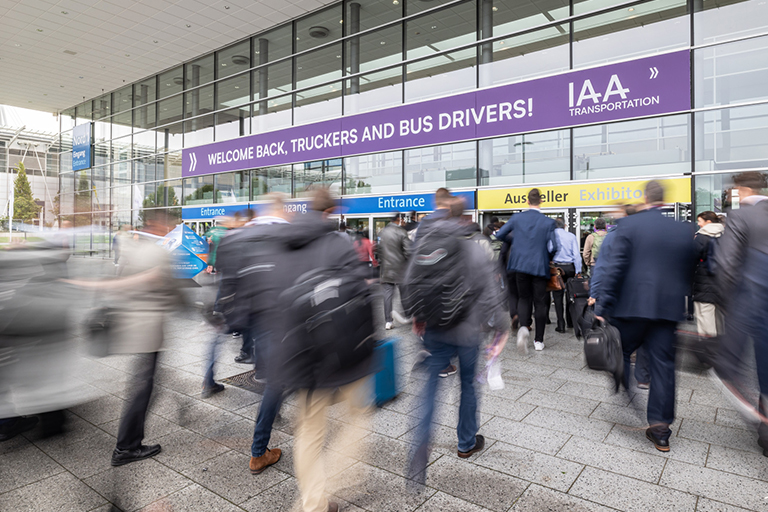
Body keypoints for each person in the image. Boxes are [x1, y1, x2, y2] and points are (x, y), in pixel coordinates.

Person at [274, 189, 375, 512]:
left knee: (309, 431)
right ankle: (340, 478)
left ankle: (313, 502)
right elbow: (361, 292)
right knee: (357, 417)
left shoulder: (282, 243)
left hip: (299, 356)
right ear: (332, 210)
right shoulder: (338, 243)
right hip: (341, 352)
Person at [407, 195, 510, 482]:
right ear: (464, 218)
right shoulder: (474, 249)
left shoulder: (425, 243)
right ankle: (465, 443)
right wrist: (501, 328)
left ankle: (420, 444)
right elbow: (490, 294)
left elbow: (410, 282)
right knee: (467, 385)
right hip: (467, 332)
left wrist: (417, 316)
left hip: (435, 329)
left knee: (430, 386)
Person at [595, 181, 696, 452]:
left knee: (619, 353)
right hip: (667, 310)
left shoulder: (629, 226)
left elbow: (614, 271)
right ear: (663, 201)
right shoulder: (683, 229)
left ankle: (628, 395)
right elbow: (689, 270)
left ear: (644, 198)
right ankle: (661, 430)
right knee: (664, 366)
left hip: (631, 309)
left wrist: (602, 308)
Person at [216, 193, 293, 476]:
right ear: (281, 210)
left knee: (276, 379)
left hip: (258, 320)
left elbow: (228, 280)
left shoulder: (240, 237)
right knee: (280, 382)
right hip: (286, 320)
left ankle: (260, 450)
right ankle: (259, 452)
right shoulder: (289, 235)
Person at [711, 171, 768, 456]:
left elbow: (726, 265)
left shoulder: (741, 216)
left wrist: (728, 303)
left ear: (743, 189)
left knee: (734, 366)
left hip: (754, 303)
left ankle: (765, 426)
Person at [495, 188, 558, 352]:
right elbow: (555, 246)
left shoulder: (517, 218)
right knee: (540, 302)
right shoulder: (548, 222)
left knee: (524, 298)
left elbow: (500, 234)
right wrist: (547, 256)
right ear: (541, 201)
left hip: (520, 265)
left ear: (527, 201)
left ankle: (524, 328)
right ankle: (539, 341)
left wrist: (516, 240)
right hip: (539, 265)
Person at [692, 211, 724, 337]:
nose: (698, 224)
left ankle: (708, 348)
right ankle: (721, 345)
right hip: (722, 282)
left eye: (700, 221)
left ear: (708, 222)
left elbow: (692, 257)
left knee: (704, 315)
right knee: (719, 317)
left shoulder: (701, 237)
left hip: (703, 283)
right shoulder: (726, 234)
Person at [376, 213, 410, 330]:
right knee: (404, 294)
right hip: (401, 269)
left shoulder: (381, 233)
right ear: (398, 220)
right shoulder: (401, 232)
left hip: (386, 269)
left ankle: (388, 321)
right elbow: (409, 251)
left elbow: (378, 251)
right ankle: (408, 315)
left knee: (387, 295)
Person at [551, 218, 581, 333]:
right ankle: (570, 321)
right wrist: (578, 270)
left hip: (556, 267)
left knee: (557, 296)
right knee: (570, 295)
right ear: (565, 225)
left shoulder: (551, 236)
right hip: (569, 267)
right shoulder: (571, 236)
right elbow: (576, 255)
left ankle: (560, 324)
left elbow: (549, 250)